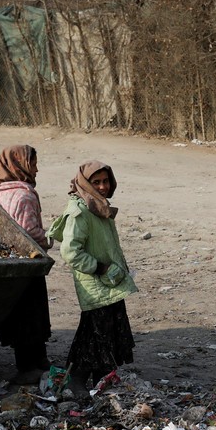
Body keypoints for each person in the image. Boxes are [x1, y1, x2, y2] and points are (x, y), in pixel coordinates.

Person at [49, 160, 137, 389]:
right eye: (95, 182)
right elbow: (70, 252)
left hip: (109, 282)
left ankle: (93, 382)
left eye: (105, 181)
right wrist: (100, 268)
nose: (102, 187)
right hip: (96, 282)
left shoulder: (97, 206)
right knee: (97, 334)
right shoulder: (80, 211)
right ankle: (78, 382)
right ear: (84, 183)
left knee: (99, 334)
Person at [0, 144, 51, 384]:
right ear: (20, 164)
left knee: (21, 314)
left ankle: (36, 361)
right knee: (32, 314)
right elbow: (29, 232)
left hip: (9, 263)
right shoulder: (23, 194)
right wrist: (50, 239)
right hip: (28, 263)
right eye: (33, 163)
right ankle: (29, 367)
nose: (36, 169)